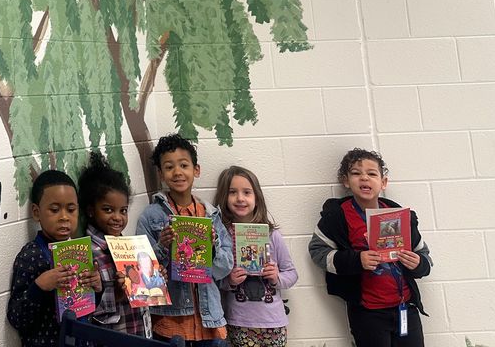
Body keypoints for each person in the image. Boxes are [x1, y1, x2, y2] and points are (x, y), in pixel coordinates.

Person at [308, 148, 432, 347]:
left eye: (372, 173)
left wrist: (418, 264)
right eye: (356, 173)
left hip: (405, 307)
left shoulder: (400, 215)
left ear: (383, 183)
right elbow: (317, 252)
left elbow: (423, 255)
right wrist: (356, 260)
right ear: (346, 181)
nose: (364, 178)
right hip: (368, 313)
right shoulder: (337, 216)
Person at [137, 134, 233, 346]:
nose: (178, 172)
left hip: (211, 322)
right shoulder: (151, 217)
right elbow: (142, 278)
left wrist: (213, 247)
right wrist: (162, 246)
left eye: (184, 165)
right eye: (169, 167)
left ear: (196, 170)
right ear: (161, 174)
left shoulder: (210, 215)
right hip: (170, 322)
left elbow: (224, 268)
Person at [7, 169, 101, 347]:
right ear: (36, 212)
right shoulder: (31, 256)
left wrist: (97, 287)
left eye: (71, 209)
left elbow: (90, 306)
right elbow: (16, 318)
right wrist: (40, 286)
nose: (64, 217)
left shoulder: (82, 250)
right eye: (55, 210)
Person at [214, 166, 298, 347]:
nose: (240, 198)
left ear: (256, 197)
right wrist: (229, 281)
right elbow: (213, 279)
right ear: (224, 197)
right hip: (239, 321)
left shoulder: (271, 234)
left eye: (247, 192)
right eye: (232, 192)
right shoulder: (223, 237)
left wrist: (276, 278)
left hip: (274, 322)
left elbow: (291, 274)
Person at [78, 151, 154, 337]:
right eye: (108, 210)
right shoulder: (87, 253)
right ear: (90, 210)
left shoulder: (132, 247)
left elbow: (147, 294)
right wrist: (117, 296)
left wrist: (156, 280)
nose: (117, 218)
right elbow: (83, 309)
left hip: (141, 333)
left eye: (123, 210)